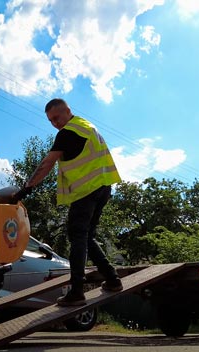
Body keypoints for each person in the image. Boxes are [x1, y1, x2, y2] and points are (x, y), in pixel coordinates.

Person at [15, 98, 122, 307]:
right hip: (103, 186)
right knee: (87, 236)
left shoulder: (67, 133)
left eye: (56, 117)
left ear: (67, 111)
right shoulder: (86, 125)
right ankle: (112, 278)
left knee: (77, 236)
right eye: (50, 120)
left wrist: (26, 188)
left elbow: (46, 164)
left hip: (86, 190)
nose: (54, 122)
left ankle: (77, 291)